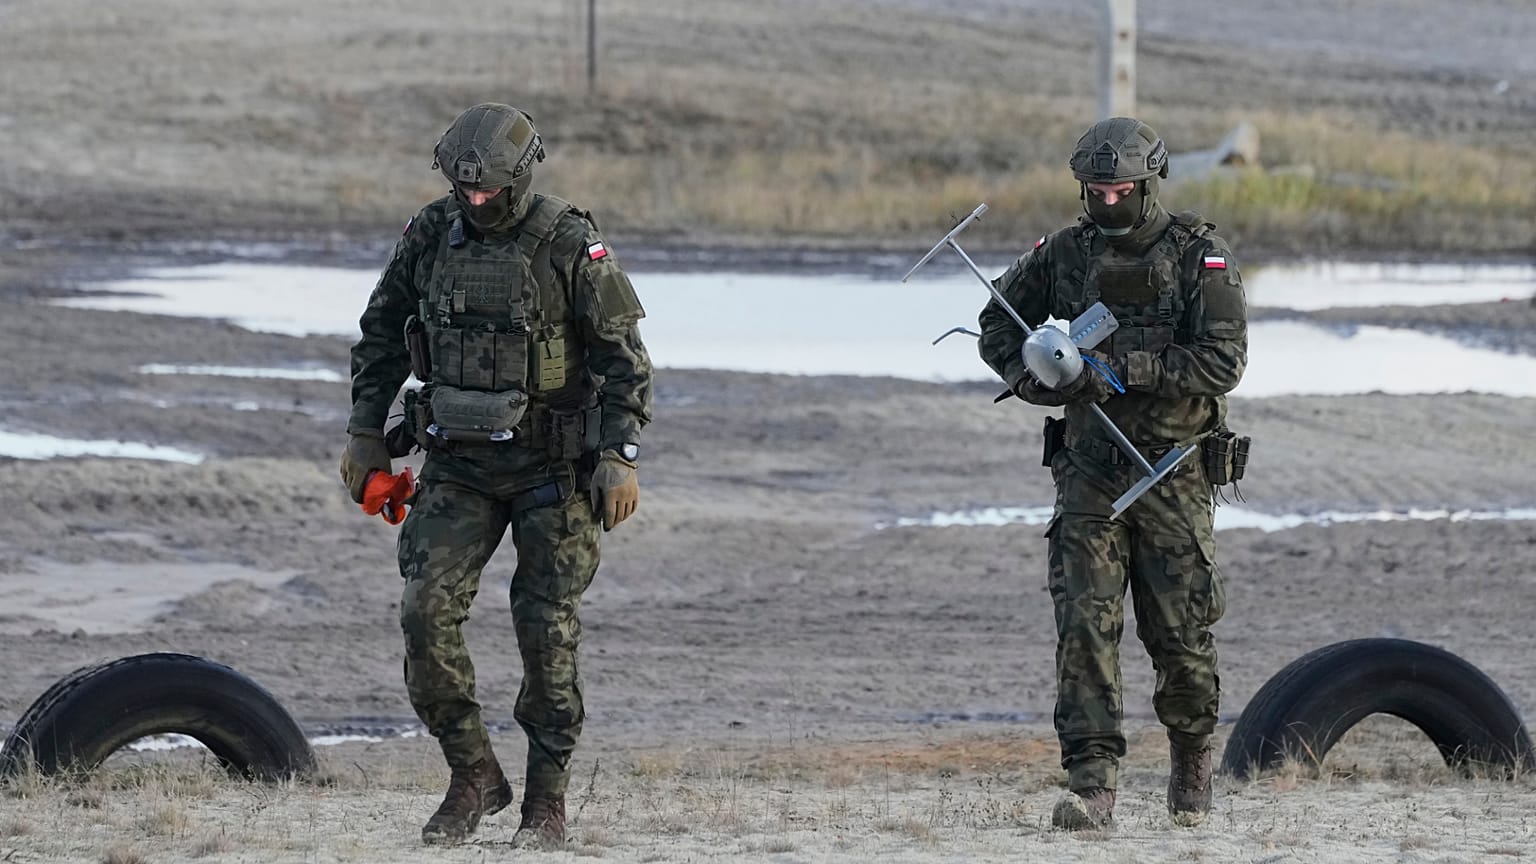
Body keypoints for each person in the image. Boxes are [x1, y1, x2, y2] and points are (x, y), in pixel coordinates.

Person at [338, 102, 653, 847]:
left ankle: (546, 801)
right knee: (423, 613)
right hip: (458, 465)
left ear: (522, 175)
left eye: (487, 190)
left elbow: (625, 364)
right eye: (462, 188)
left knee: (545, 634)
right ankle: (473, 774)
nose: (474, 201)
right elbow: (380, 331)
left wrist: (619, 456)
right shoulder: (428, 235)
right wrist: (364, 433)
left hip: (554, 472)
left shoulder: (571, 243)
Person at [976, 117, 1247, 831]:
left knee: (1181, 635)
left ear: (1148, 183)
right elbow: (998, 323)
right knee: (1084, 629)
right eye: (1094, 191)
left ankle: (1192, 756)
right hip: (1090, 473)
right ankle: (1092, 785)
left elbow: (1223, 362)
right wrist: (1035, 378)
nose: (1105, 202)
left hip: (1174, 472)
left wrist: (1125, 371)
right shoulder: (1065, 254)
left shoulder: (1200, 256)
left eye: (1119, 190)